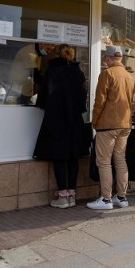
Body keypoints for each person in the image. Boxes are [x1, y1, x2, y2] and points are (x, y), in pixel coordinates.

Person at [33, 44, 87, 208]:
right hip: (74, 120)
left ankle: (62, 195)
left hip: (56, 119)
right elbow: (82, 96)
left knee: (58, 156)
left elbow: (44, 96)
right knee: (72, 157)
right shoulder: (78, 72)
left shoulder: (53, 70)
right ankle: (72, 194)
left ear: (57, 54)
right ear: (72, 55)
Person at [86, 46, 135, 210]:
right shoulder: (130, 76)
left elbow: (99, 101)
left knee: (104, 162)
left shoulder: (107, 74)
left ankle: (106, 199)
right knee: (120, 160)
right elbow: (130, 101)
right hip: (125, 124)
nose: (104, 62)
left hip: (108, 125)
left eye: (105, 59)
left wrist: (94, 120)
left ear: (108, 58)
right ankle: (121, 197)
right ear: (120, 58)